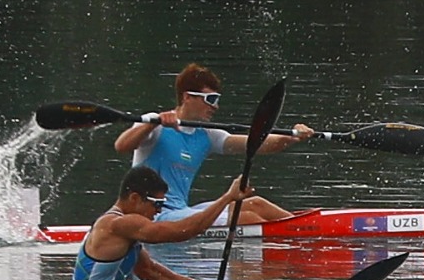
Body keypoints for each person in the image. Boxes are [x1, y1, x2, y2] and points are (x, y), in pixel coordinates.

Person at [110, 62, 314, 225]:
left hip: (181, 212)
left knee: (257, 205)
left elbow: (257, 144)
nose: (215, 106)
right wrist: (151, 125)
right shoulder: (155, 122)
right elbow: (122, 146)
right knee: (247, 219)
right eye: (211, 99)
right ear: (188, 97)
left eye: (217, 99)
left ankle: (306, 227)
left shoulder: (207, 135)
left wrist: (292, 137)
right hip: (154, 216)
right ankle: (296, 237)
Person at [71, 167, 247, 280]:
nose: (159, 211)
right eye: (157, 203)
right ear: (134, 198)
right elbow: (182, 232)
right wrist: (227, 198)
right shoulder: (118, 224)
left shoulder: (121, 229)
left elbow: (151, 272)